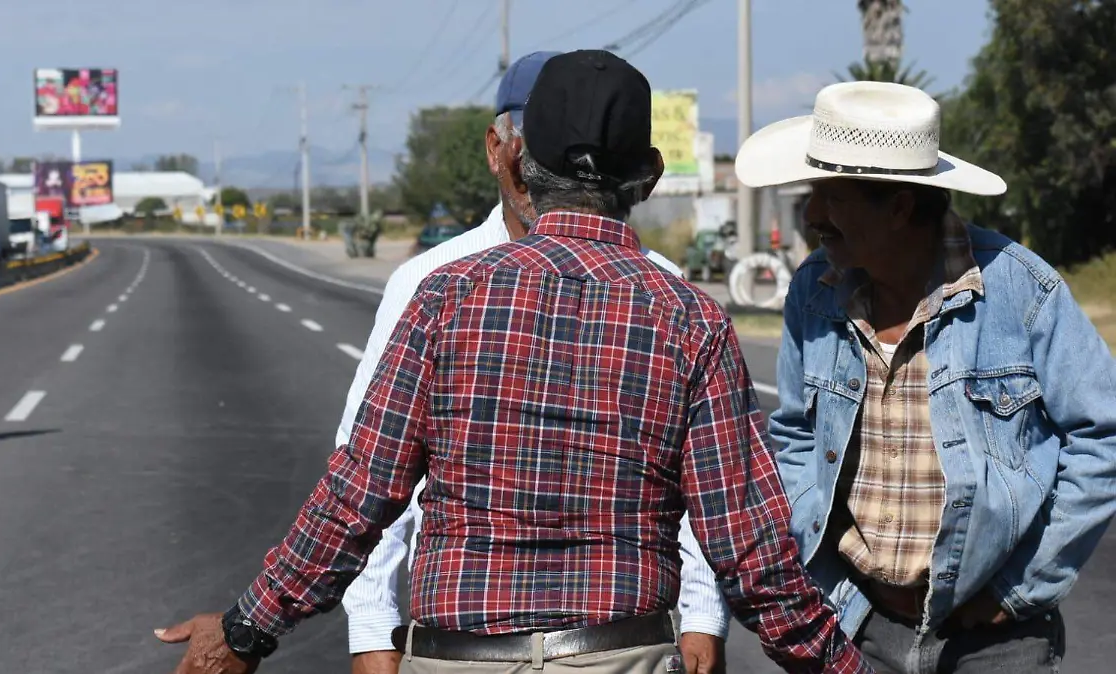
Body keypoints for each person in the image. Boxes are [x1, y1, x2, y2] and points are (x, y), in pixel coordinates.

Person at [157, 50, 869, 674]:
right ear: (650, 176)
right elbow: (751, 552)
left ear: (520, 166)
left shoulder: (446, 297)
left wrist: (247, 628)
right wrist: (837, 663)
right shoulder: (690, 320)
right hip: (620, 653)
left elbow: (359, 496)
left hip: (456, 656)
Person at [339, 50, 730, 674]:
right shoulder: (429, 284)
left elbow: (704, 491)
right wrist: (371, 628)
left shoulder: (672, 299)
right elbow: (377, 484)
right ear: (500, 150)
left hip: (611, 642)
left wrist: (704, 615)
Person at [734, 80, 1116, 673]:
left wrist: (1018, 589)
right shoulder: (814, 290)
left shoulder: (1020, 290)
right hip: (859, 623)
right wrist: (814, 577)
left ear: (901, 205)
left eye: (832, 196)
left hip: (997, 642)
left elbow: (1102, 437)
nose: (812, 217)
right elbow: (793, 437)